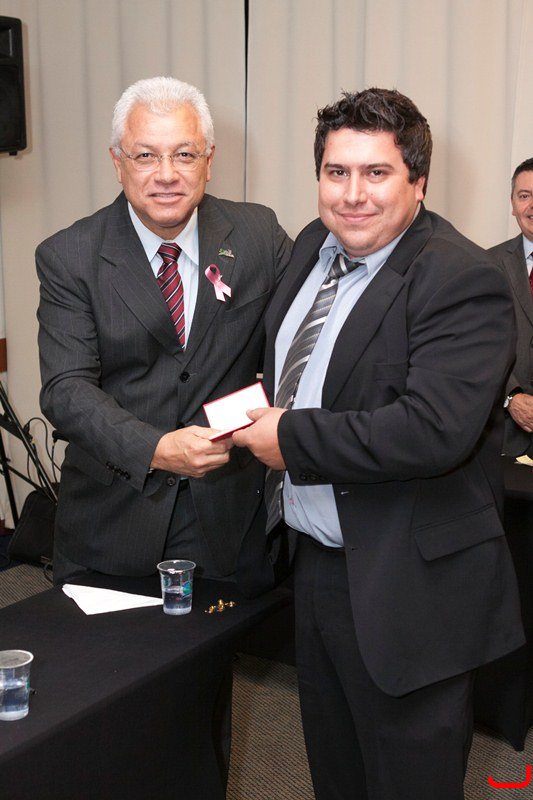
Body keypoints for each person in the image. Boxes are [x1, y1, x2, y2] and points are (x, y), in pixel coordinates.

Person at [233, 88, 525, 800]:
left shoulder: (461, 276)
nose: (352, 194)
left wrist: (288, 437)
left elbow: (431, 429)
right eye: (336, 172)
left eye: (376, 173)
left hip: (410, 588)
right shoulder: (312, 245)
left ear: (417, 181)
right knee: (336, 773)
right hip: (317, 563)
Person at [36, 76, 292, 586]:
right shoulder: (70, 255)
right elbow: (66, 390)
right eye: (146, 156)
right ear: (118, 162)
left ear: (209, 161)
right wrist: (157, 449)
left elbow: (303, 339)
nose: (167, 175)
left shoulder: (259, 236)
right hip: (114, 519)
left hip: (230, 520)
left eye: (184, 155)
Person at [489, 157, 533, 457]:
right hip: (504, 438)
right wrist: (511, 397)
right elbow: (477, 345)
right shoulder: (485, 265)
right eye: (524, 195)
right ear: (513, 204)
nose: (531, 205)